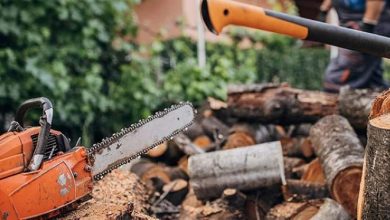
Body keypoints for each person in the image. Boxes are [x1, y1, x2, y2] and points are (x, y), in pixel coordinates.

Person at [318, 0, 390, 92]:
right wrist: (323, 12)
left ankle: (334, 95)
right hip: (349, 23)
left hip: (369, 24)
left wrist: (368, 27)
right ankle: (380, 97)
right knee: (372, 77)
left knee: (336, 79)